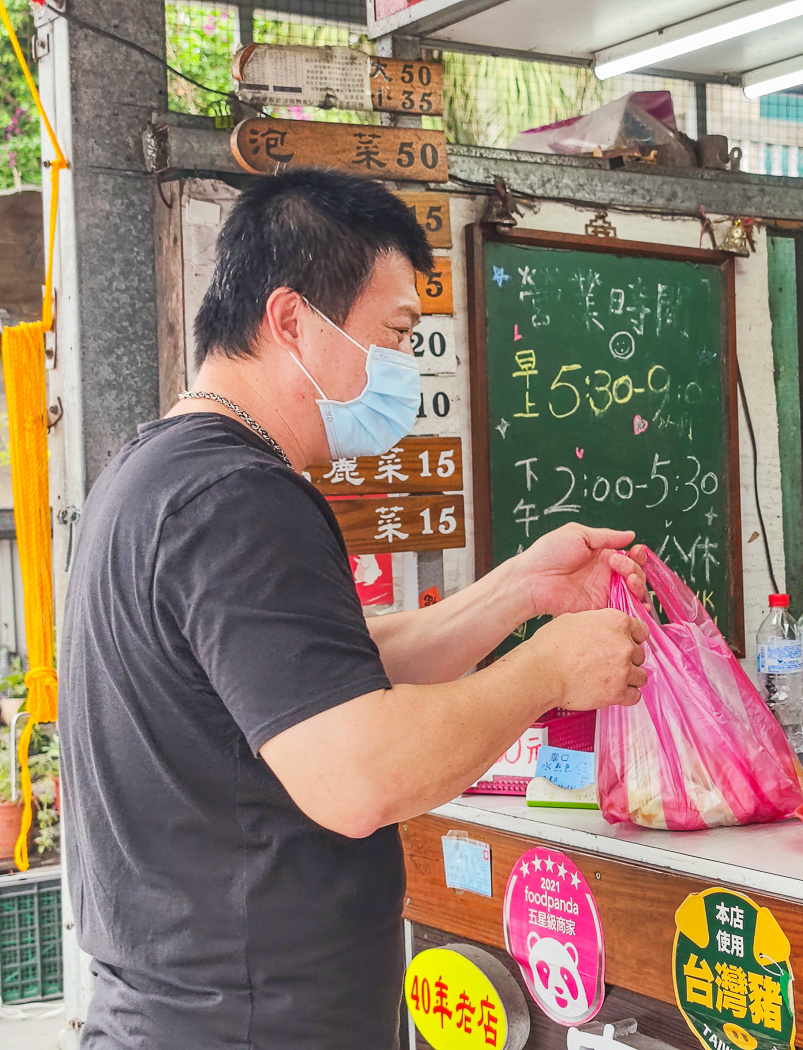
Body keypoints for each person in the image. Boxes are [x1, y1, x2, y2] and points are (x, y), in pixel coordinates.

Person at [59, 168, 652, 1049]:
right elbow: (357, 776)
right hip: (249, 1026)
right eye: (395, 333)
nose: (404, 368)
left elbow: (320, 675)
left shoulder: (155, 475)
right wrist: (549, 670)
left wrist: (521, 589)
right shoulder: (238, 498)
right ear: (291, 320)